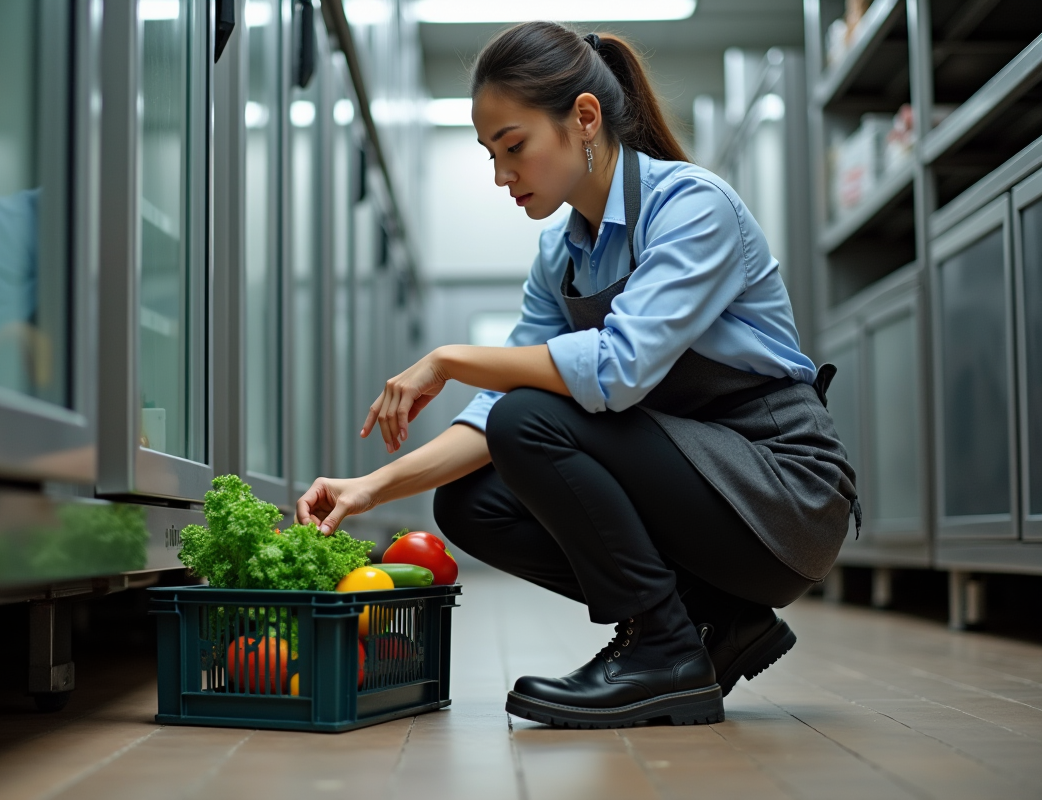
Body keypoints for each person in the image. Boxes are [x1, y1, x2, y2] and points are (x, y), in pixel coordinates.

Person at [296, 21, 858, 729]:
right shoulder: (560, 257)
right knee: (469, 503)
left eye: (514, 147)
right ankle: (708, 619)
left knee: (529, 417)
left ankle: (663, 649)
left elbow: (617, 370)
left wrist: (449, 359)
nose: (501, 176)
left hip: (780, 496)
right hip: (699, 486)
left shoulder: (691, 207)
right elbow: (492, 415)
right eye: (490, 154)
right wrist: (370, 487)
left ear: (584, 118)